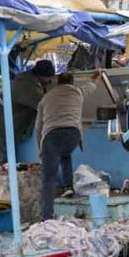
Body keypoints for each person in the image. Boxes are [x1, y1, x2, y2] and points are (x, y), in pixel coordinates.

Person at [36, 70, 100, 220]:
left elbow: (38, 127)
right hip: (73, 136)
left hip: (51, 136)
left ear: (57, 83)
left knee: (48, 178)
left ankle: (47, 216)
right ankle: (68, 187)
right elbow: (92, 86)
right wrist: (96, 77)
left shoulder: (45, 98)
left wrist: (41, 148)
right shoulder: (78, 91)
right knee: (65, 153)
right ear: (72, 82)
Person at [0, 59, 56, 172]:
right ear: (42, 75)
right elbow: (43, 106)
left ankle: (4, 175)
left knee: (4, 146)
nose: (50, 81)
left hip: (0, 110)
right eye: (49, 78)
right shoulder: (27, 85)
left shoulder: (29, 79)